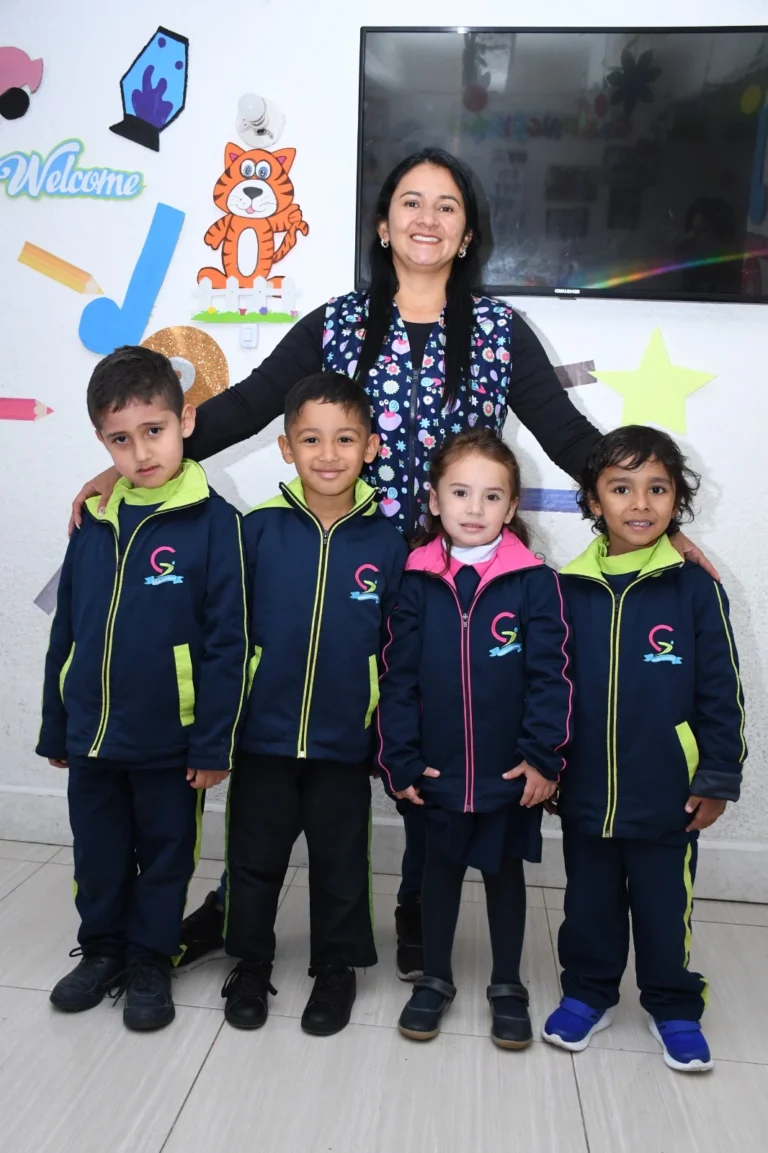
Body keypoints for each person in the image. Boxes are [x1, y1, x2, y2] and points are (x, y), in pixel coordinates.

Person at [68, 147, 715, 977]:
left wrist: (649, 513)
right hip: (345, 571)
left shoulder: (496, 330)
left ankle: (419, 902)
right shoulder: (336, 322)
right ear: (382, 226)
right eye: (410, 202)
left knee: (429, 744)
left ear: (466, 230)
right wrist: (128, 464)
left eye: (445, 206)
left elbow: (566, 433)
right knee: (282, 744)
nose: (426, 218)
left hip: (456, 591)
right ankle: (238, 904)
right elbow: (246, 405)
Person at [37, 347, 248, 1031]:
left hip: (171, 742)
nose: (140, 451)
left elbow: (228, 646)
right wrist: (54, 724)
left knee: (164, 857)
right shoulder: (93, 519)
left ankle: (152, 956)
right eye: (120, 440)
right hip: (93, 735)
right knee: (97, 856)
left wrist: (212, 742)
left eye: (154, 430)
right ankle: (102, 950)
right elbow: (66, 628)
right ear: (103, 442)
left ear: (186, 419)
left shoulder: (219, 525)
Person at [542, 426, 745, 1073]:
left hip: (669, 795)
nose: (640, 502)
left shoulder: (695, 587)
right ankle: (588, 991)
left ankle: (674, 1003)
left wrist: (715, 773)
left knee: (664, 910)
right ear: (594, 500)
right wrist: (549, 762)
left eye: (658, 487)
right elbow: (547, 687)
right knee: (589, 905)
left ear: (676, 499)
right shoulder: (565, 589)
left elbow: (722, 686)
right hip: (586, 792)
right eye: (621, 487)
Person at [222, 372, 407, 1036]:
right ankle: (249, 960)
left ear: (371, 447)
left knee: (339, 860)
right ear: (285, 447)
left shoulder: (388, 545)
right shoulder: (258, 531)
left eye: (344, 438)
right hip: (262, 735)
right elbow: (229, 633)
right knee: (253, 857)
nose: (328, 454)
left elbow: (395, 650)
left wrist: (388, 736)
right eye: (311, 439)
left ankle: (336, 968)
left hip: (342, 740)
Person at [377, 429, 572, 1046]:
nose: (474, 508)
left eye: (492, 497)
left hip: (508, 773)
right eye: (460, 493)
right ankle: (434, 978)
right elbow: (397, 677)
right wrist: (400, 761)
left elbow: (551, 675)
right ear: (434, 499)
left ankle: (507, 983)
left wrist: (542, 758)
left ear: (511, 509)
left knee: (504, 875)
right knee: (437, 875)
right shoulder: (414, 578)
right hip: (436, 772)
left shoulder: (535, 581)